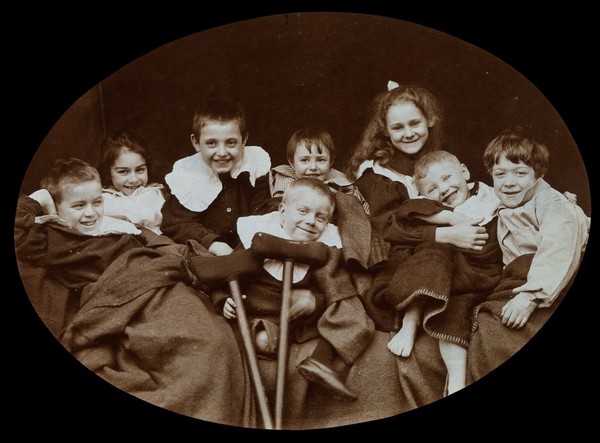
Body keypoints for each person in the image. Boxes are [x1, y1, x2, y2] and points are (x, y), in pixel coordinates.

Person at [14, 158, 257, 427]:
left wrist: (193, 260)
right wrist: (40, 200)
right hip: (122, 302)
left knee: (213, 341)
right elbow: (18, 232)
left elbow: (163, 247)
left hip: (160, 287)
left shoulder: (121, 226)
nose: (90, 213)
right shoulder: (55, 237)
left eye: (97, 202)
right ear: (57, 207)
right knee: (182, 352)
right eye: (78, 205)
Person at [191, 178, 375, 401]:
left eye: (320, 217)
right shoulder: (258, 235)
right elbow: (225, 271)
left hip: (295, 319)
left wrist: (314, 301)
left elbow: (332, 290)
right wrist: (224, 298)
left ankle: (321, 360)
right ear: (282, 211)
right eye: (303, 211)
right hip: (256, 308)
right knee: (261, 339)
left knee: (352, 314)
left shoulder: (324, 249)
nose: (310, 221)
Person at [345, 81, 489, 331]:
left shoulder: (434, 160)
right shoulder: (377, 173)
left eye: (414, 123)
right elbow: (388, 227)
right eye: (398, 128)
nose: (408, 133)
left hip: (444, 253)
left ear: (429, 120)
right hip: (400, 259)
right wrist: (445, 234)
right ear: (386, 131)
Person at [467, 127, 590, 382]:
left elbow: (558, 251)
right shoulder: (505, 206)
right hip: (522, 280)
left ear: (538, 174)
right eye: (500, 174)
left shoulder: (553, 204)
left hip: (552, 284)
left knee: (496, 336)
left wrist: (529, 298)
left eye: (520, 173)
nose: (509, 182)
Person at [382, 150, 504, 395]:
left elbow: (524, 198)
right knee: (433, 253)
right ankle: (412, 322)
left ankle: (456, 379)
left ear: (465, 172)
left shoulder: (491, 195)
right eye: (433, 188)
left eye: (448, 178)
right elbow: (406, 211)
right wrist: (449, 218)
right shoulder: (433, 210)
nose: (444, 189)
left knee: (454, 304)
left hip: (482, 275)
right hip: (447, 282)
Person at [254, 126, 388, 276]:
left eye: (321, 160)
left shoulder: (343, 186)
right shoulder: (277, 179)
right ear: (292, 163)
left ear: (331, 162)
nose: (313, 167)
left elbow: (362, 215)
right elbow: (264, 210)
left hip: (324, 239)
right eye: (304, 160)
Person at [160, 98, 271, 255]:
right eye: (211, 143)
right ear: (196, 142)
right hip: (205, 251)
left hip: (247, 250)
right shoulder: (188, 175)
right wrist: (212, 242)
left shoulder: (254, 168)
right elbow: (177, 224)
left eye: (231, 143)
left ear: (244, 140)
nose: (222, 153)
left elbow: (262, 213)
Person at [98, 132, 166, 235]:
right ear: (108, 172)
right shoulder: (104, 198)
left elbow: (146, 216)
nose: (134, 179)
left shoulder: (154, 194)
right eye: (123, 172)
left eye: (140, 170)